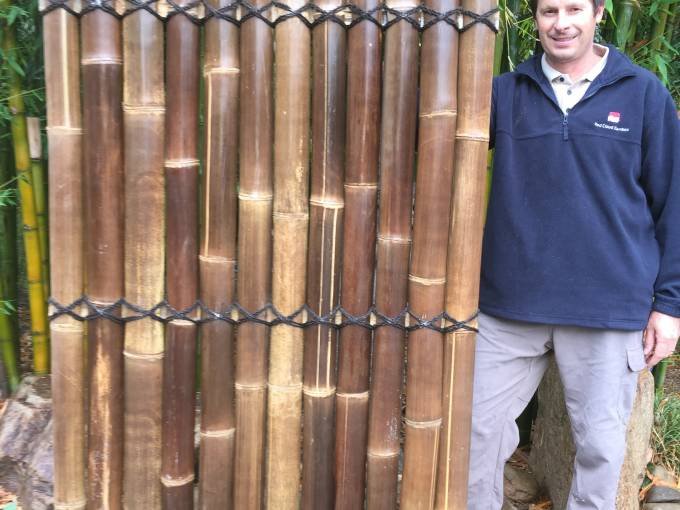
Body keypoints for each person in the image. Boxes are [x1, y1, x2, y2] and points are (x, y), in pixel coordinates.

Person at [467, 0, 680, 507]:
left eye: (574, 9)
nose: (561, 23)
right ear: (534, 18)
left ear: (599, 13)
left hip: (607, 304)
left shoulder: (643, 93)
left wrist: (669, 305)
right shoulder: (504, 92)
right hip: (509, 304)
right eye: (548, 11)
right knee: (473, 436)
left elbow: (672, 202)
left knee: (601, 451)